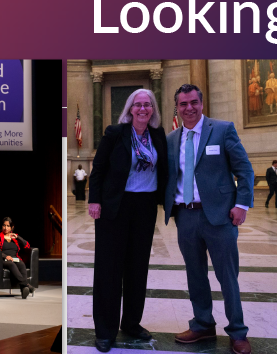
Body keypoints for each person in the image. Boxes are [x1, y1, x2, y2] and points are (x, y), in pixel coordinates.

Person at [162, 84, 255, 354]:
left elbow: (245, 170)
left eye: (193, 102)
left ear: (202, 103)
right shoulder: (171, 139)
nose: (188, 108)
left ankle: (238, 332)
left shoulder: (222, 129)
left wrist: (241, 205)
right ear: (177, 108)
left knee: (228, 276)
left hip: (220, 217)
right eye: (183, 104)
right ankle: (202, 324)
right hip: (186, 215)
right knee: (195, 275)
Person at [89, 88, 169, 350]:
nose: (143, 109)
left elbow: (166, 169)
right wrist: (94, 200)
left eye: (148, 105)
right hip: (115, 207)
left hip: (145, 207)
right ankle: (105, 330)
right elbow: (98, 168)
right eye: (138, 105)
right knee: (109, 269)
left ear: (153, 109)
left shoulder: (157, 134)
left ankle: (131, 323)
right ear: (130, 109)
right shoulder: (115, 133)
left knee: (137, 268)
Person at [0, 217, 35, 297]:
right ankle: (26, 285)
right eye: (4, 225)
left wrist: (18, 237)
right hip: (2, 259)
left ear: (12, 227)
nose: (5, 228)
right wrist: (5, 256)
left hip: (15, 258)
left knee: (21, 264)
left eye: (8, 226)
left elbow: (27, 246)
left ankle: (24, 289)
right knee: (11, 264)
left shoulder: (15, 237)